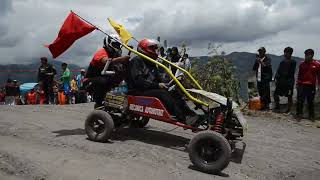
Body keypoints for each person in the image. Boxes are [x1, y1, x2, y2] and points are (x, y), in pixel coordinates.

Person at [127, 39, 199, 125]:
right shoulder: (136, 61)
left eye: (155, 49)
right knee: (163, 94)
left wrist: (171, 81)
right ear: (144, 49)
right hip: (138, 90)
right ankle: (182, 117)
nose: (154, 51)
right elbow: (138, 82)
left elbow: (159, 79)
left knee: (174, 92)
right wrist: (158, 85)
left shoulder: (151, 62)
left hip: (149, 89)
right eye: (152, 49)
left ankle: (190, 115)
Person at [84, 34, 130, 108]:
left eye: (118, 45)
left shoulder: (116, 55)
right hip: (89, 81)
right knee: (103, 81)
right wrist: (121, 59)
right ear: (108, 43)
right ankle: (99, 103)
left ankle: (117, 101)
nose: (117, 47)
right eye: (115, 44)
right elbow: (106, 61)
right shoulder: (101, 52)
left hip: (106, 80)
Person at [296, 49, 320, 121]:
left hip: (311, 85)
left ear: (312, 55)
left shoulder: (317, 64)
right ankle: (299, 115)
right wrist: (297, 83)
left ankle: (311, 116)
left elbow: (319, 76)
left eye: (307, 55)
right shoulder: (302, 64)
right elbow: (299, 74)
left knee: (310, 101)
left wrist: (318, 86)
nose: (306, 56)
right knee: (300, 101)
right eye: (305, 55)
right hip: (302, 85)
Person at [273, 47, 296, 113]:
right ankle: (277, 107)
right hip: (281, 82)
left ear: (290, 53)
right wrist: (276, 77)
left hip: (289, 82)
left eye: (286, 52)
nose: (285, 54)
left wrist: (282, 76)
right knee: (275, 94)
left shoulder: (293, 62)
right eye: (284, 52)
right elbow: (278, 71)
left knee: (289, 96)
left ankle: (289, 110)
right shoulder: (282, 62)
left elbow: (290, 72)